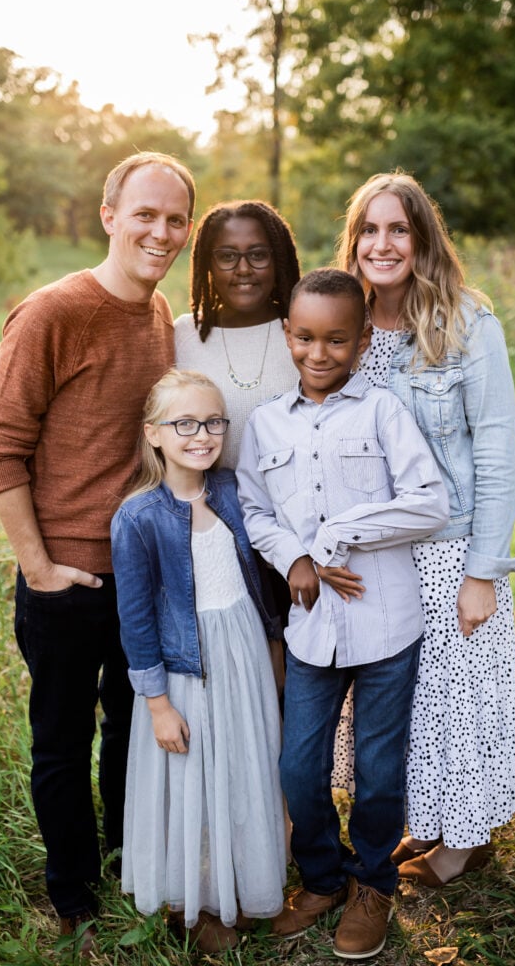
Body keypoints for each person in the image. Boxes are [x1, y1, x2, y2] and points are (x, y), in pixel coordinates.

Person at [0, 152, 196, 955]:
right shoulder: (51, 313)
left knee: (133, 734)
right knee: (63, 742)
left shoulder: (159, 314)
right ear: (109, 215)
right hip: (66, 577)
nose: (160, 232)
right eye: (145, 214)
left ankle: (127, 867)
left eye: (175, 219)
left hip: (142, 576)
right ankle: (74, 900)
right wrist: (38, 567)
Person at [236, 269, 449, 959]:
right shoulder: (267, 421)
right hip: (311, 631)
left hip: (387, 625)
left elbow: (428, 501)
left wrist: (337, 534)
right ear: (287, 335)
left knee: (377, 769)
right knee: (299, 768)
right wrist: (294, 559)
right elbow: (254, 510)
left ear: (361, 341)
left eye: (336, 339)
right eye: (304, 337)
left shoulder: (382, 411)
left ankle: (372, 883)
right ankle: (321, 878)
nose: (319, 352)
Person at [336, 171, 515, 887]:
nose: (381, 244)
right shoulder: (344, 325)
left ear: (421, 239)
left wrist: (482, 571)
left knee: (454, 694)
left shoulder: (465, 322)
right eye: (368, 230)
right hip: (374, 551)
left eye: (397, 229)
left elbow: (497, 451)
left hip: (447, 547)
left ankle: (461, 842)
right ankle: (426, 819)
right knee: (396, 699)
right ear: (353, 242)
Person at [110, 369, 286, 954]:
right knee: (191, 780)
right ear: (154, 434)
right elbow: (135, 622)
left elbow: (259, 577)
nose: (202, 435)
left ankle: (241, 881)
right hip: (187, 667)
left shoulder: (233, 490)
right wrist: (157, 704)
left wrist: (272, 643)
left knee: (242, 764)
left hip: (242, 650)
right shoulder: (138, 518)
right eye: (184, 423)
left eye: (213, 422)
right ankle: (194, 901)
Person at [174, 199, 302, 675]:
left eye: (258, 254)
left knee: (299, 682)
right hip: (217, 536)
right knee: (238, 678)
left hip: (298, 531)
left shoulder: (302, 328)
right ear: (207, 262)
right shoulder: (184, 336)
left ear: (280, 259)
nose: (243, 269)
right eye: (227, 256)